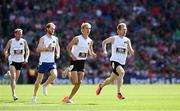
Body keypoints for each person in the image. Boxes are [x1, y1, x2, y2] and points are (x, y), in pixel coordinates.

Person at [96, 23, 134, 100]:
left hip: (122, 63)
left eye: (125, 29)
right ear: (118, 30)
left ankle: (101, 85)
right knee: (122, 72)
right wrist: (105, 51)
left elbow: (132, 53)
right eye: (123, 29)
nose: (125, 31)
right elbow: (104, 42)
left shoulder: (127, 40)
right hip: (114, 61)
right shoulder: (114, 38)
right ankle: (119, 93)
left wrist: (129, 46)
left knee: (111, 80)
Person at [62, 22, 96, 103]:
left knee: (79, 83)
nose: (88, 30)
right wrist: (71, 55)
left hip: (82, 62)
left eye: (89, 28)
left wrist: (92, 54)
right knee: (74, 82)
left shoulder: (90, 41)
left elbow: (90, 50)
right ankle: (69, 71)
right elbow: (68, 47)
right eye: (87, 28)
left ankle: (68, 99)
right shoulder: (77, 38)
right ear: (82, 30)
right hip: (74, 61)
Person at [32, 22, 60, 103]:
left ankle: (45, 85)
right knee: (39, 80)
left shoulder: (55, 39)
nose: (53, 30)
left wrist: (58, 53)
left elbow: (58, 46)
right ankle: (34, 96)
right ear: (47, 29)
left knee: (55, 75)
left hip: (51, 62)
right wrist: (45, 49)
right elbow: (37, 49)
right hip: (43, 62)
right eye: (51, 29)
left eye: (54, 29)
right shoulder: (43, 38)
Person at [4, 28, 30, 101]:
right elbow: (5, 50)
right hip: (12, 61)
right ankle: (14, 94)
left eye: (21, 33)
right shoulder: (11, 41)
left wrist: (26, 58)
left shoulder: (24, 41)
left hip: (20, 62)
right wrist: (6, 54)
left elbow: (27, 50)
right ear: (15, 34)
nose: (20, 35)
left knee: (15, 79)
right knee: (14, 77)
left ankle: (9, 74)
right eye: (18, 33)